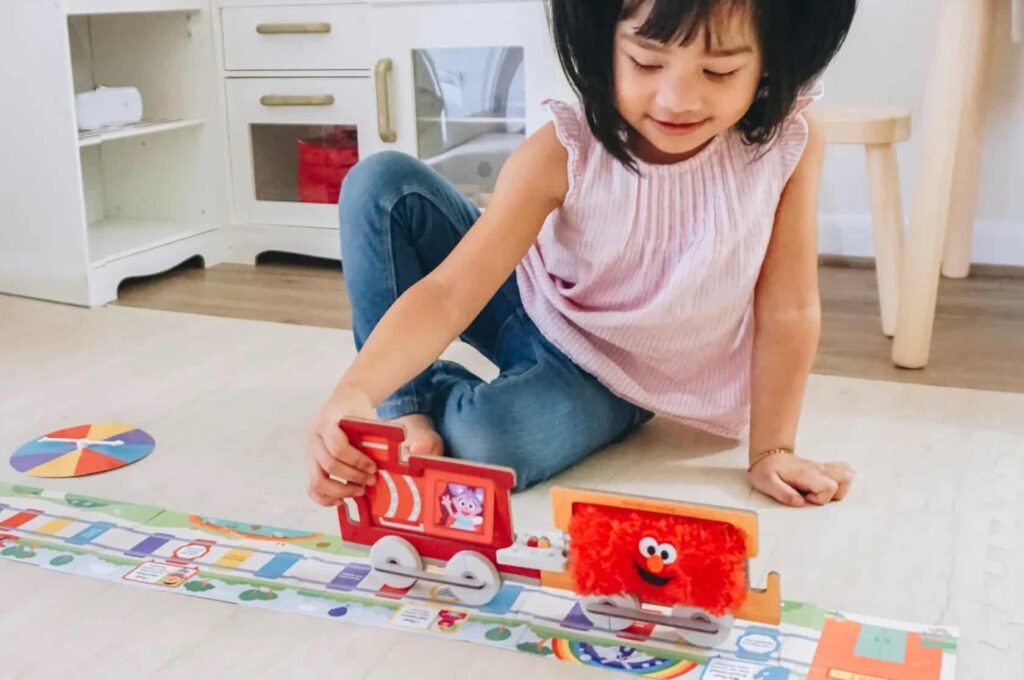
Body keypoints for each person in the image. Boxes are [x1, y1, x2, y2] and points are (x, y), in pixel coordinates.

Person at [306, 0, 858, 509]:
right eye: (645, 63)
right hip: (526, 297)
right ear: (604, 43)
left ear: (768, 63)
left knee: (489, 442)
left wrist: (773, 450)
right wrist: (355, 391)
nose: (677, 100)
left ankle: (434, 386)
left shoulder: (786, 144)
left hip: (608, 373)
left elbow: (788, 308)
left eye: (719, 72)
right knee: (382, 184)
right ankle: (402, 404)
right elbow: (451, 292)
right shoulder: (563, 148)